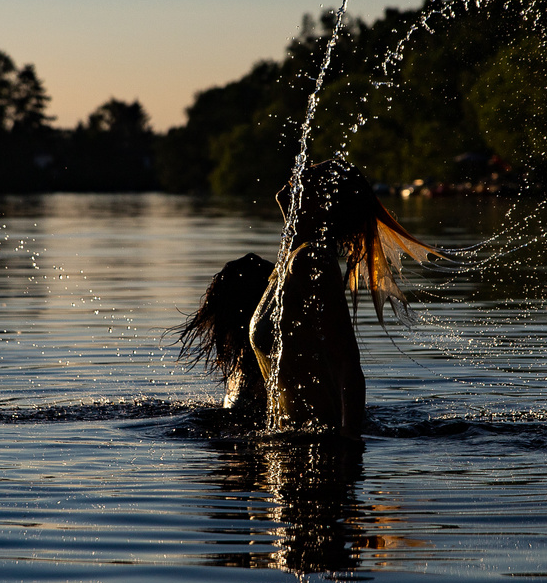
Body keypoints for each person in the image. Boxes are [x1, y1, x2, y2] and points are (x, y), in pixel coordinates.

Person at [177, 159, 442, 438]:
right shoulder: (293, 258)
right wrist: (287, 206)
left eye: (313, 173)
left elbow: (348, 366)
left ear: (323, 201)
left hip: (320, 448)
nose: (303, 169)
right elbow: (292, 237)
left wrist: (350, 445)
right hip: (292, 444)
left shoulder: (313, 260)